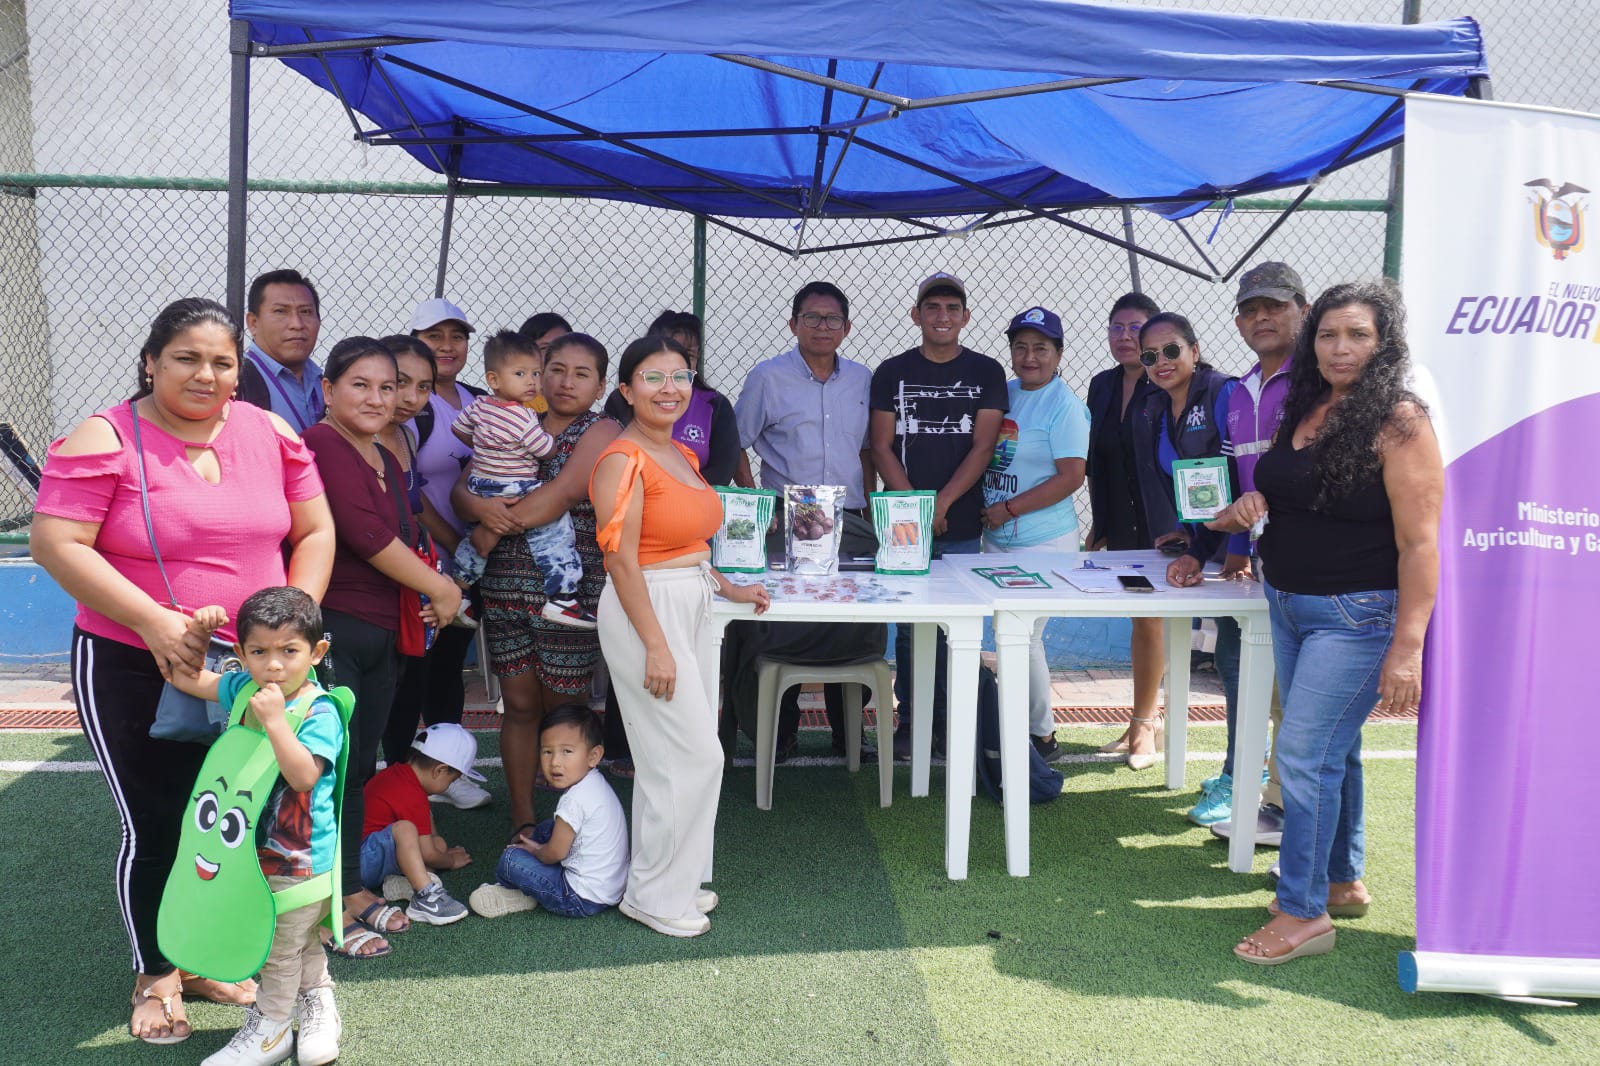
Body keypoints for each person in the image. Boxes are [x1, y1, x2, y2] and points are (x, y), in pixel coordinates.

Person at [30, 298, 334, 1044]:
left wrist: (289, 637)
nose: (206, 375)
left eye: (222, 362)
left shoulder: (272, 433)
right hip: (135, 663)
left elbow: (316, 529)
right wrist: (153, 621)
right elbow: (56, 542)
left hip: (255, 673)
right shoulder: (105, 437)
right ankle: (157, 974)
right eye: (186, 358)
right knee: (161, 822)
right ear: (150, 362)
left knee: (242, 822)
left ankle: (204, 958)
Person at [1198, 280, 1443, 965]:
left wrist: (1408, 647)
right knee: (1337, 749)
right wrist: (1249, 505)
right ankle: (1340, 881)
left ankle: (1303, 912)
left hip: (1356, 616)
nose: (1340, 348)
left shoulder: (1400, 421)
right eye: (1329, 334)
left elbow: (1421, 544)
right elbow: (1290, 492)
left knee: (1303, 756)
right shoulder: (1305, 404)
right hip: (1287, 602)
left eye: (1357, 335)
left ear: (1383, 343)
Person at [589, 335, 770, 937]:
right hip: (648, 611)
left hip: (687, 600)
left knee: (669, 760)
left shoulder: (679, 453)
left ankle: (666, 884)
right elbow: (621, 561)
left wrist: (728, 587)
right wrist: (656, 645)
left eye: (680, 376)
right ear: (626, 390)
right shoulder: (622, 459)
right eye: (653, 377)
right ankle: (657, 897)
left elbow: (687, 544)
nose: (670, 389)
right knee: (693, 756)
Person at [302, 337, 464, 958]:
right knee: (323, 774)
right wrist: (441, 587)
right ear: (329, 390)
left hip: (382, 633)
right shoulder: (323, 445)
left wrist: (430, 590)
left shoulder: (386, 455)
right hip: (336, 629)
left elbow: (405, 532)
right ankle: (318, 907)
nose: (377, 398)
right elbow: (365, 534)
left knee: (356, 770)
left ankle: (346, 889)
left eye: (387, 387)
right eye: (360, 385)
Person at [167, 588, 345, 1066]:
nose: (274, 666)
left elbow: (304, 776)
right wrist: (198, 633)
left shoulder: (320, 710)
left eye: (289, 651)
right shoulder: (243, 688)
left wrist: (276, 723)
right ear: (241, 654)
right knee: (296, 940)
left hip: (297, 857)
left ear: (316, 652)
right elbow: (184, 677)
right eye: (259, 652)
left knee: (278, 949)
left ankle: (271, 1030)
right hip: (241, 851)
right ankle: (319, 1002)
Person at [455, 333, 621, 839]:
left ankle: (576, 828)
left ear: (600, 386)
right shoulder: (509, 417)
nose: (566, 382)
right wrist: (476, 508)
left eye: (582, 374)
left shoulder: (602, 429)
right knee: (520, 707)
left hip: (565, 596)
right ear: (540, 373)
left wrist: (489, 528)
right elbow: (462, 490)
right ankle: (523, 822)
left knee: (565, 713)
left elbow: (562, 494)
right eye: (557, 370)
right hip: (504, 587)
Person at [1170, 262, 1308, 841]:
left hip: (1315, 564)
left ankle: (1297, 824)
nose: (1262, 318)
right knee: (1271, 691)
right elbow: (1229, 488)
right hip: (1268, 563)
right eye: (1251, 310)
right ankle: (1271, 805)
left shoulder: (1316, 385)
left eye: (1275, 306)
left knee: (1301, 703)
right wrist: (1199, 550)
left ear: (1302, 309)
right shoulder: (1241, 391)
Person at [730, 280, 880, 760]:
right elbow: (736, 442)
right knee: (782, 625)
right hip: (787, 519)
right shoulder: (767, 377)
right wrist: (757, 502)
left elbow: (867, 448)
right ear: (794, 324)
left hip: (850, 518)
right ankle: (781, 732)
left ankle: (849, 731)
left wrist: (869, 504)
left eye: (832, 319)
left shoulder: (862, 379)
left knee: (855, 623)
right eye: (811, 317)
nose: (822, 327)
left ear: (847, 328)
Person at [869, 272, 1007, 760]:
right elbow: (881, 447)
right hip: (905, 524)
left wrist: (942, 504)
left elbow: (983, 446)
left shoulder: (986, 371)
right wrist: (916, 510)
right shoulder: (891, 372)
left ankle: (954, 723)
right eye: (932, 308)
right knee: (910, 631)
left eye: (952, 308)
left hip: (962, 522)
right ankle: (913, 722)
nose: (942, 317)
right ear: (916, 315)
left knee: (960, 628)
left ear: (965, 317)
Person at [1128, 312, 1240, 775]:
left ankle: (1249, 775)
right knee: (1232, 658)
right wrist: (1189, 536)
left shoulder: (1223, 392)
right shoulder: (1155, 407)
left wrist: (1239, 549)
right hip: (1208, 547)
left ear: (1194, 350)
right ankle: (1243, 772)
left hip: (1241, 550)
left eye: (1172, 350)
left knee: (1240, 661)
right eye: (1150, 356)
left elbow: (1242, 476)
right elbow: (1191, 485)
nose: (1162, 361)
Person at [978, 306, 1089, 758]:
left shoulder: (1065, 406)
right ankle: (1017, 724)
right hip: (996, 537)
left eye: (1041, 348)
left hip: (1043, 541)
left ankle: (1042, 735)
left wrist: (1008, 509)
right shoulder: (1004, 394)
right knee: (1008, 636)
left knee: (1023, 638)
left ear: (1058, 354)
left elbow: (1071, 477)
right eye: (1020, 347)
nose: (1029, 357)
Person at [401, 297, 492, 811]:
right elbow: (409, 491)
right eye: (434, 336)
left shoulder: (479, 399)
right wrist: (455, 546)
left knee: (451, 662)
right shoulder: (411, 406)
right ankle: (408, 772)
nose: (447, 346)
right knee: (419, 663)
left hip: (471, 560)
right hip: (426, 559)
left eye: (456, 336)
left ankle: (447, 768)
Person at [448, 330, 594, 628]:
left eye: (535, 374)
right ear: (493, 379)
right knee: (555, 531)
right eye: (521, 374)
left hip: (481, 483)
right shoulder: (523, 416)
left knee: (474, 542)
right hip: (516, 486)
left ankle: (458, 592)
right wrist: (548, 443)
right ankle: (562, 594)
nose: (531, 382)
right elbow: (545, 450)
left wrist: (488, 447)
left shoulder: (479, 405)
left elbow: (459, 429)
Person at [1084, 291, 1166, 764]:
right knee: (1141, 620)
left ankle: (1144, 725)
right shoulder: (1102, 385)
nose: (1124, 336)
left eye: (1135, 328)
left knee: (1151, 620)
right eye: (1117, 327)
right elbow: (1098, 461)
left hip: (1163, 528)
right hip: (1119, 523)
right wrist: (1099, 523)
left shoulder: (1170, 381)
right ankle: (1146, 717)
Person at [469, 704, 628, 919]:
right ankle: (529, 882)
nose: (555, 762)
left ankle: (517, 892)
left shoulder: (574, 800)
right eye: (547, 752)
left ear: (594, 755)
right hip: (610, 888)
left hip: (578, 898)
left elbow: (554, 854)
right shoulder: (595, 783)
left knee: (510, 859)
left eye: (567, 751)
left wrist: (536, 851)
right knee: (548, 828)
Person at [360, 723, 479, 927]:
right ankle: (424, 896)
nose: (449, 786)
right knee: (407, 830)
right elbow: (428, 854)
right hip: (359, 862)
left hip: (362, 856)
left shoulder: (399, 775)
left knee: (436, 845)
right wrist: (450, 860)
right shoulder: (412, 794)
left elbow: (431, 842)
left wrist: (440, 850)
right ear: (440, 770)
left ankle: (403, 883)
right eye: (452, 780)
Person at [603, 310, 740, 485]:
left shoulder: (715, 404)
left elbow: (723, 469)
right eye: (667, 351)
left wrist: (681, 491)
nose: (677, 360)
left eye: (688, 355)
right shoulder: (619, 405)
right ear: (628, 393)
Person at [236, 269, 325, 433]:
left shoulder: (328, 383)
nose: (297, 324)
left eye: (306, 312)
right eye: (281, 311)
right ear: (253, 323)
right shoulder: (236, 385)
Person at [517, 312, 572, 414]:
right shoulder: (517, 403)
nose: (556, 354)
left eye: (562, 346)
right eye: (545, 348)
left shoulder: (576, 396)